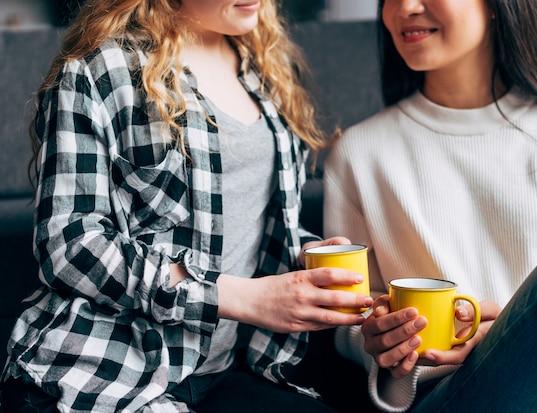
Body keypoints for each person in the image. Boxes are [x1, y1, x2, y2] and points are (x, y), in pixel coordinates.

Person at [0, 0, 373, 412]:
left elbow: (240, 219)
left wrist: (304, 254)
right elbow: (70, 246)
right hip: (103, 372)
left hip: (224, 372)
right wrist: (233, 297)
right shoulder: (101, 68)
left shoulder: (262, 65)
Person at [324, 0, 537, 412]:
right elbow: (350, 316)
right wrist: (376, 337)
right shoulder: (359, 153)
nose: (405, 8)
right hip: (452, 394)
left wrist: (511, 330)